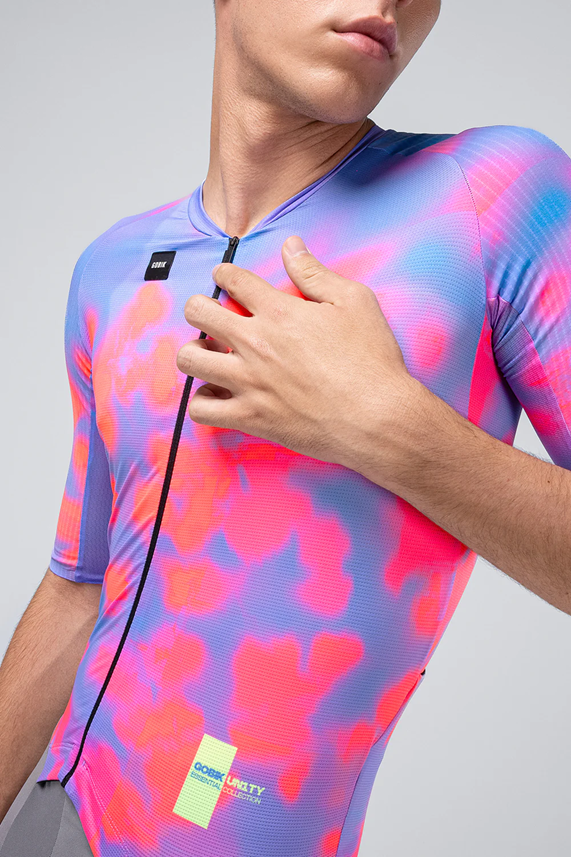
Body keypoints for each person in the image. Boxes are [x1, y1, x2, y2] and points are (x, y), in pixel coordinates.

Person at [1, 0, 570, 855]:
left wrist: (385, 423)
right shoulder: (112, 268)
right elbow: (80, 585)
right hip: (46, 814)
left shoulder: (494, 197)